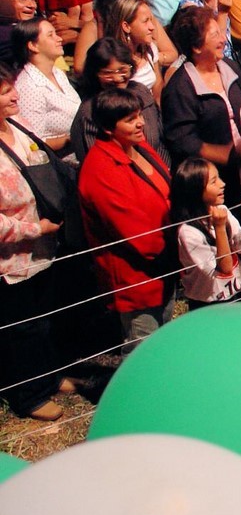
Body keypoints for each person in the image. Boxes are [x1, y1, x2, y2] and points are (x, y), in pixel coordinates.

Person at [0, 62, 72, 421]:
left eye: (11, 87)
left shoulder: (17, 125)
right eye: (3, 92)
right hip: (11, 260)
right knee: (21, 327)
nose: (13, 95)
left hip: (45, 248)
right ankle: (28, 394)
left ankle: (50, 375)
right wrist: (32, 229)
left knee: (45, 317)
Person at [78, 87, 174, 350]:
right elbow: (134, 230)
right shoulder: (100, 169)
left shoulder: (140, 148)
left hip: (163, 266)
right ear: (108, 128)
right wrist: (178, 249)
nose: (141, 123)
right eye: (130, 119)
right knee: (143, 347)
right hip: (136, 277)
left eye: (140, 115)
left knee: (164, 339)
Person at [163, 5, 241, 207]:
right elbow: (182, 140)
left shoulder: (230, 67)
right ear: (196, 47)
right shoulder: (180, 88)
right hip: (215, 180)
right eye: (214, 35)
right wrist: (227, 155)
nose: (222, 40)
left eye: (220, 32)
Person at [171, 157, 241, 308]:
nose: (222, 184)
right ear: (196, 189)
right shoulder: (188, 232)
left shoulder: (222, 210)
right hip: (209, 303)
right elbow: (224, 269)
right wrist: (219, 228)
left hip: (237, 292)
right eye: (213, 181)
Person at [70, 37, 167, 165]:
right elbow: (97, 164)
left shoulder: (141, 92)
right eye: (108, 73)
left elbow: (160, 141)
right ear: (94, 73)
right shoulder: (90, 112)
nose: (117, 78)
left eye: (122, 70)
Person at [12, 18, 80, 160]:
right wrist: (69, 138)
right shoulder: (29, 87)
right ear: (33, 46)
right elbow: (33, 142)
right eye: (51, 35)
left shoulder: (58, 73)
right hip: (61, 163)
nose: (59, 38)